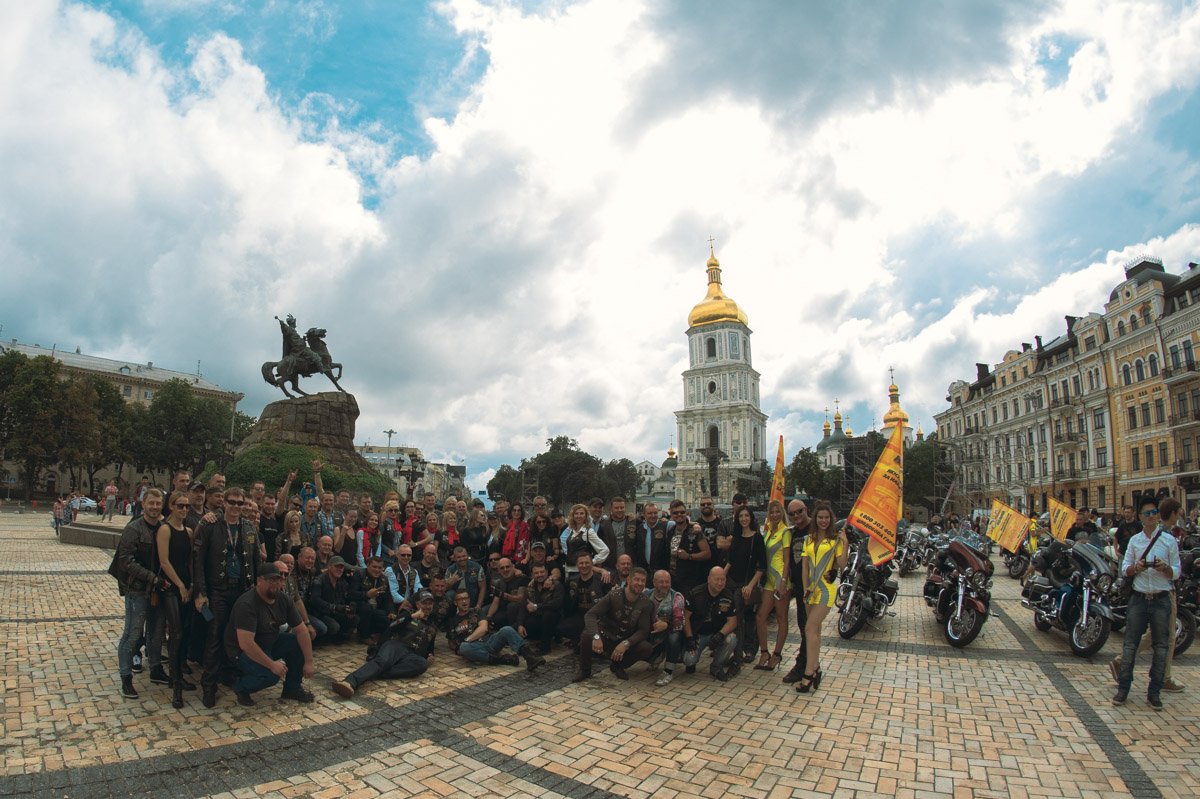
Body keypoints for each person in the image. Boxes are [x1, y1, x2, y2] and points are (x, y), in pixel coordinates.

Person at [1112, 495, 1182, 710]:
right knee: (1130, 644)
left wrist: (1165, 568)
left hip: (1161, 598)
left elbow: (1177, 572)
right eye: (1147, 513)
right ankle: (1123, 688)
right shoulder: (1135, 541)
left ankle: (1154, 691)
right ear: (1140, 516)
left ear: (1157, 516)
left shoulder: (1169, 541)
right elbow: (1125, 569)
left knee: (1161, 646)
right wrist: (1137, 568)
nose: (1151, 517)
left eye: (1154, 513)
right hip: (1139, 598)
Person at [192, 486, 259, 708]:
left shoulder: (249, 527)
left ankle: (229, 673)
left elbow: (256, 560)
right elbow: (198, 561)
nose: (236, 507)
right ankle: (208, 684)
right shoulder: (210, 524)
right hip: (218, 590)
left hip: (241, 590)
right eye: (232, 502)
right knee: (215, 635)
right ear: (224, 503)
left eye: (240, 503)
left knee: (236, 637)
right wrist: (200, 592)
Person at [225, 562, 315, 706]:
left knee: (296, 642)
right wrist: (272, 665)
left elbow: (302, 630)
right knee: (271, 675)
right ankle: (240, 686)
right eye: (271, 580)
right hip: (241, 651)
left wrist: (309, 661)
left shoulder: (284, 599)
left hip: (269, 641)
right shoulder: (247, 604)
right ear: (259, 581)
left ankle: (292, 688)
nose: (276, 583)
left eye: (278, 580)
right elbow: (246, 644)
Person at [330, 590, 439, 697]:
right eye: (424, 603)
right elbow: (392, 625)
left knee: (422, 664)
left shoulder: (433, 626)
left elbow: (430, 647)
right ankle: (349, 682)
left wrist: (430, 655)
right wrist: (412, 617)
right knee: (382, 662)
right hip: (396, 645)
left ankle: (375, 672)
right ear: (418, 604)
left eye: (430, 604)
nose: (427, 606)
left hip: (412, 655)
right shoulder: (408, 614)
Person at [113, 488, 165, 699]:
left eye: (158, 503)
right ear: (143, 504)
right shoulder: (134, 528)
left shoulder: (163, 528)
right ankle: (125, 676)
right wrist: (151, 577)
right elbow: (125, 561)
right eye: (151, 503)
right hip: (137, 590)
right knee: (132, 634)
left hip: (157, 590)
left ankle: (155, 668)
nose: (154, 507)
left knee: (156, 633)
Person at [148, 491, 196, 708]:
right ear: (171, 506)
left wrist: (191, 585)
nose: (184, 510)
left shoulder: (188, 531)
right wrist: (180, 586)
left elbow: (190, 561)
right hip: (170, 587)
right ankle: (175, 684)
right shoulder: (164, 529)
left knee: (184, 632)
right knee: (175, 632)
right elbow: (164, 562)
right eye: (180, 506)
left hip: (185, 586)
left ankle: (179, 674)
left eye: (186, 506)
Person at [797, 501, 849, 694]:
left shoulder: (835, 540)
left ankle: (809, 673)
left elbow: (842, 564)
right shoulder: (808, 540)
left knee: (809, 628)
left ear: (831, 519)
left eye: (827, 517)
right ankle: (816, 667)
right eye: (820, 517)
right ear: (815, 519)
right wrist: (805, 588)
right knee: (814, 632)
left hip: (826, 590)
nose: (823, 521)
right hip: (810, 590)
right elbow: (804, 566)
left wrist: (845, 543)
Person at [574, 567, 654, 682]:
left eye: (643, 581)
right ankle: (584, 670)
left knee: (646, 648)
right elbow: (590, 615)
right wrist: (596, 637)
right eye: (637, 579)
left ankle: (618, 665)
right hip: (607, 635)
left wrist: (627, 643)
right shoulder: (614, 595)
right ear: (629, 580)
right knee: (587, 635)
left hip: (625, 640)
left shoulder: (646, 603)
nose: (640, 583)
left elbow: (643, 630)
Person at [452, 590, 547, 671]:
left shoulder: (476, 611)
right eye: (460, 599)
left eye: (466, 598)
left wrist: (467, 640)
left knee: (507, 629)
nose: (464, 601)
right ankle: (503, 659)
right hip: (473, 648)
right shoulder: (452, 620)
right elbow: (451, 642)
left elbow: (483, 628)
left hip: (489, 642)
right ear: (455, 602)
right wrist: (459, 648)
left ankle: (530, 657)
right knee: (464, 648)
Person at [683, 566, 742, 681]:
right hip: (698, 635)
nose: (720, 583)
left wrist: (720, 634)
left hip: (716, 634)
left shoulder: (728, 596)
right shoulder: (695, 593)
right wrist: (690, 638)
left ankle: (716, 667)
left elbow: (733, 621)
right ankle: (692, 662)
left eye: (723, 580)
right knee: (688, 660)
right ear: (709, 579)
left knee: (732, 638)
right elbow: (686, 617)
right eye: (717, 579)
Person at [724, 505, 766, 663]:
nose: (743, 519)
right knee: (736, 616)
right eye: (740, 516)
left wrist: (750, 585)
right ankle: (737, 649)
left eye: (746, 516)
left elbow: (762, 566)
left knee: (747, 617)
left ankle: (748, 649)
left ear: (751, 518)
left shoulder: (757, 538)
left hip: (748, 583)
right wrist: (720, 577)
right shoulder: (736, 538)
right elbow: (730, 561)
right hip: (733, 582)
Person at [754, 499, 791, 671]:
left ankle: (777, 654)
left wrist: (783, 582)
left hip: (780, 580)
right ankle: (764, 652)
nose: (775, 515)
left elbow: (787, 559)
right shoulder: (768, 531)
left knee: (781, 617)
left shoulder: (786, 532)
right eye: (772, 512)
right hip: (769, 580)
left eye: (778, 512)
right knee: (760, 616)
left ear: (782, 513)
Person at [782, 499, 812, 684]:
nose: (796, 516)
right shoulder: (792, 533)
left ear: (805, 510)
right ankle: (809, 665)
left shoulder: (816, 529)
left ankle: (803, 667)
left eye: (799, 512)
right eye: (791, 514)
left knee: (808, 628)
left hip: (812, 588)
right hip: (799, 587)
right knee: (804, 627)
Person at [557, 552, 609, 646]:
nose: (584, 565)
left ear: (592, 564)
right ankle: (579, 639)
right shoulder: (571, 581)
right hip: (580, 616)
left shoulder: (602, 580)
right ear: (577, 565)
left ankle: (584, 642)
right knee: (561, 627)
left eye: (587, 563)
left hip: (597, 618)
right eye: (581, 563)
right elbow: (566, 602)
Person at [646, 569, 685, 686]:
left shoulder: (677, 597)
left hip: (669, 632)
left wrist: (666, 625)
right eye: (661, 582)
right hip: (650, 633)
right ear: (654, 582)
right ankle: (657, 655)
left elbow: (680, 623)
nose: (665, 585)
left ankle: (668, 671)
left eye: (667, 582)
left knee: (674, 637)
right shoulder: (646, 594)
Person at [308, 556, 356, 643]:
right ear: (329, 567)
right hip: (319, 613)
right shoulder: (319, 580)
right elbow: (315, 600)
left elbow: (347, 597)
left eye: (342, 567)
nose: (340, 569)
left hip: (333, 612)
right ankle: (323, 639)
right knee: (334, 627)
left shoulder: (343, 582)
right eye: (337, 567)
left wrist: (350, 606)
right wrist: (334, 607)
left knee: (354, 618)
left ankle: (336, 637)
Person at [518, 562, 564, 653]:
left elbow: (556, 604)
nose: (540, 575)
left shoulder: (556, 585)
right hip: (538, 617)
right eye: (536, 573)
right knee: (524, 623)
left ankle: (545, 647)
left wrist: (536, 606)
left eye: (542, 572)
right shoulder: (530, 587)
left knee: (548, 615)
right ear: (532, 574)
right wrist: (520, 625)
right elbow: (523, 606)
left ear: (547, 572)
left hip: (555, 617)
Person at [669, 502, 711, 596]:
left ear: (686, 513)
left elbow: (707, 553)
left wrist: (689, 556)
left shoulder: (695, 530)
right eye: (675, 513)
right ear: (671, 514)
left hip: (690, 580)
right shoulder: (670, 530)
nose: (679, 514)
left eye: (682, 512)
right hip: (672, 579)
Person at [353, 555, 395, 642]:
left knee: (386, 617)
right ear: (368, 565)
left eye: (379, 568)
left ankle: (376, 634)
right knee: (366, 609)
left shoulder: (384, 579)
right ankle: (363, 637)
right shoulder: (359, 574)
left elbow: (388, 598)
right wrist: (367, 595)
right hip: (360, 606)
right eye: (374, 567)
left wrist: (391, 612)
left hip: (376, 608)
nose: (377, 570)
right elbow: (351, 594)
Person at [562, 503, 611, 574]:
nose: (579, 516)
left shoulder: (589, 532)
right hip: (569, 570)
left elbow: (605, 550)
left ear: (586, 516)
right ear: (573, 516)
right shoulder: (571, 531)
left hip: (582, 571)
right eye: (576, 513)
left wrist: (592, 562)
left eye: (582, 513)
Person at [632, 503, 670, 573]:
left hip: (660, 570)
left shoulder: (665, 526)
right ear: (644, 514)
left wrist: (694, 524)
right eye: (650, 513)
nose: (653, 515)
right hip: (643, 569)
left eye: (655, 513)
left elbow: (681, 523)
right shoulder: (639, 528)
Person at [386, 545, 423, 609]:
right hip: (394, 606)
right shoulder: (390, 570)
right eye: (403, 555)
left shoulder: (414, 571)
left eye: (409, 555)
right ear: (397, 555)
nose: (406, 557)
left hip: (410, 605)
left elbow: (418, 590)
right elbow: (393, 594)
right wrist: (408, 603)